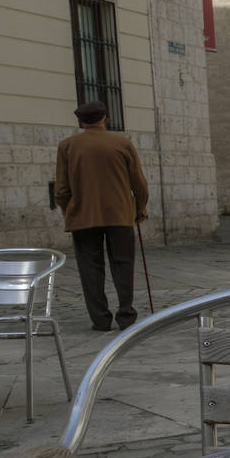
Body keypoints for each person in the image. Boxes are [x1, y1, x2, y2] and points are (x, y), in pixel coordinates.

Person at [54, 100, 150, 331]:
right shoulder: (122, 144)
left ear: (80, 122)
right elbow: (139, 184)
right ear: (106, 119)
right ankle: (126, 314)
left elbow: (61, 190)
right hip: (119, 214)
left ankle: (100, 318)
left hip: (83, 217)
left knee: (89, 266)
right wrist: (139, 209)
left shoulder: (67, 146)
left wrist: (71, 211)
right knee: (123, 263)